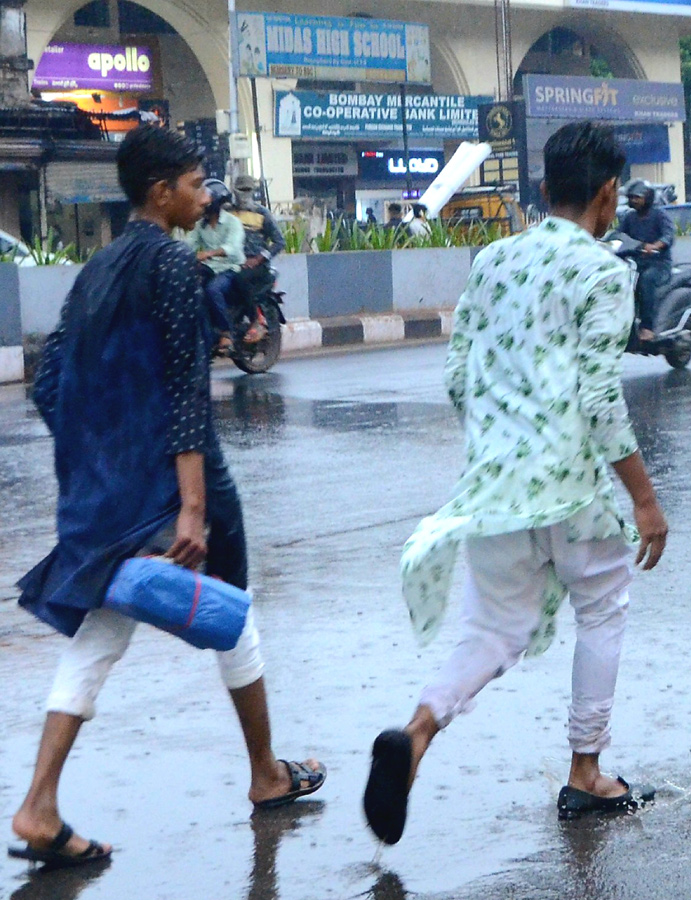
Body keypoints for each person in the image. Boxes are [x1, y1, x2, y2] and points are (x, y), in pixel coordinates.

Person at [8, 126, 325, 870]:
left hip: (104, 493)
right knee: (233, 614)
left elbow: (52, 387)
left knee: (100, 635)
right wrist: (189, 506)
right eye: (193, 182)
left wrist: (101, 460)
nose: (204, 194)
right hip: (176, 485)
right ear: (161, 193)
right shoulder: (174, 266)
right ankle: (265, 775)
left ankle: (39, 804)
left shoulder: (96, 271)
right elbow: (186, 392)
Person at [363, 121, 669, 845]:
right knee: (603, 603)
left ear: (540, 190)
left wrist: (503, 445)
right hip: (568, 486)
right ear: (606, 196)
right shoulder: (603, 272)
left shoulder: (494, 260)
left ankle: (418, 730)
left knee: (493, 630)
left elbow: (459, 377)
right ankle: (587, 771)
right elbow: (599, 398)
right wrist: (646, 500)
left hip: (495, 485)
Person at [186, 178, 245, 355]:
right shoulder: (199, 225)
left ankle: (226, 333)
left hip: (231, 268)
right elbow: (189, 244)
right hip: (210, 268)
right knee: (191, 288)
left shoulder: (233, 223)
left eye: (206, 199)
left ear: (215, 202)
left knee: (212, 290)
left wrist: (209, 254)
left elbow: (233, 249)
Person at [230, 175, 285, 343]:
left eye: (248, 190)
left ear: (253, 191)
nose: (244, 194)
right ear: (234, 191)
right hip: (231, 262)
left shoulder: (262, 213)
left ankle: (256, 320)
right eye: (241, 190)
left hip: (256, 266)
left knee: (240, 278)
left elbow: (279, 241)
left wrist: (259, 258)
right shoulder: (227, 212)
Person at [618, 181, 674, 341]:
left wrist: (655, 245)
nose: (634, 200)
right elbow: (619, 234)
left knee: (646, 280)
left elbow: (668, 235)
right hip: (635, 262)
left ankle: (647, 326)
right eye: (631, 197)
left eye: (638, 197)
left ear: (648, 198)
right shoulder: (629, 217)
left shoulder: (659, 215)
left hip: (658, 264)